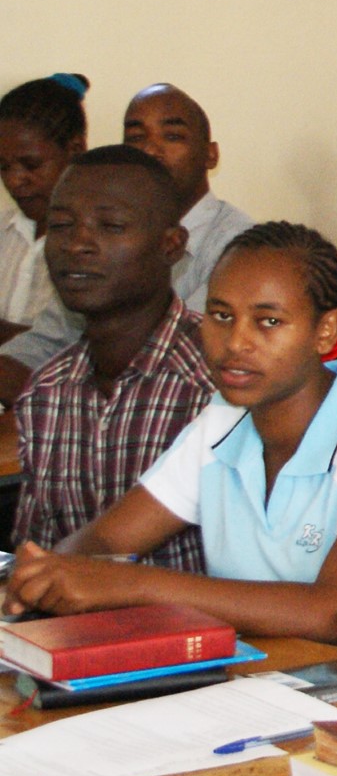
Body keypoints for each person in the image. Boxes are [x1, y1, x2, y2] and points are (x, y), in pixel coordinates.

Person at [4, 221, 337, 653]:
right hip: (256, 682)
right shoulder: (223, 419)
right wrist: (52, 574)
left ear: (325, 331)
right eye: (220, 315)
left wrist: (130, 583)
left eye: (268, 321)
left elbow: (330, 613)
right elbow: (106, 541)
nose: (235, 342)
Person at [11, 147, 211, 573]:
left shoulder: (215, 382)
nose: (78, 244)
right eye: (62, 225)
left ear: (171, 245)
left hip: (202, 634)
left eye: (111, 226)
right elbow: (38, 563)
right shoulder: (46, 392)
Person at [1, 82, 254, 400]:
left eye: (172, 136)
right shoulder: (95, 243)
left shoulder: (242, 248)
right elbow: (43, 345)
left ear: (210, 154)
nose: (150, 149)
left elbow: (188, 353)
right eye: (136, 138)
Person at [0, 75, 88, 340]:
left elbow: (80, 345)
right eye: (3, 167)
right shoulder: (4, 231)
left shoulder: (94, 244)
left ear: (75, 150)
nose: (15, 180)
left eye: (32, 165)